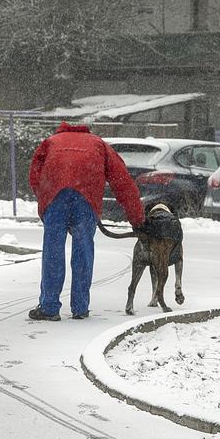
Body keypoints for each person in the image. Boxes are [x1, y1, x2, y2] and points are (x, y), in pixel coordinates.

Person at [27, 121, 144, 320]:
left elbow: (34, 176)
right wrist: (137, 218)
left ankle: (49, 307)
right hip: (86, 198)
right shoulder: (98, 144)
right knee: (83, 250)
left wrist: (45, 202)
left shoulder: (51, 142)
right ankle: (80, 307)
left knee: (53, 251)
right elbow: (122, 181)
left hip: (55, 196)